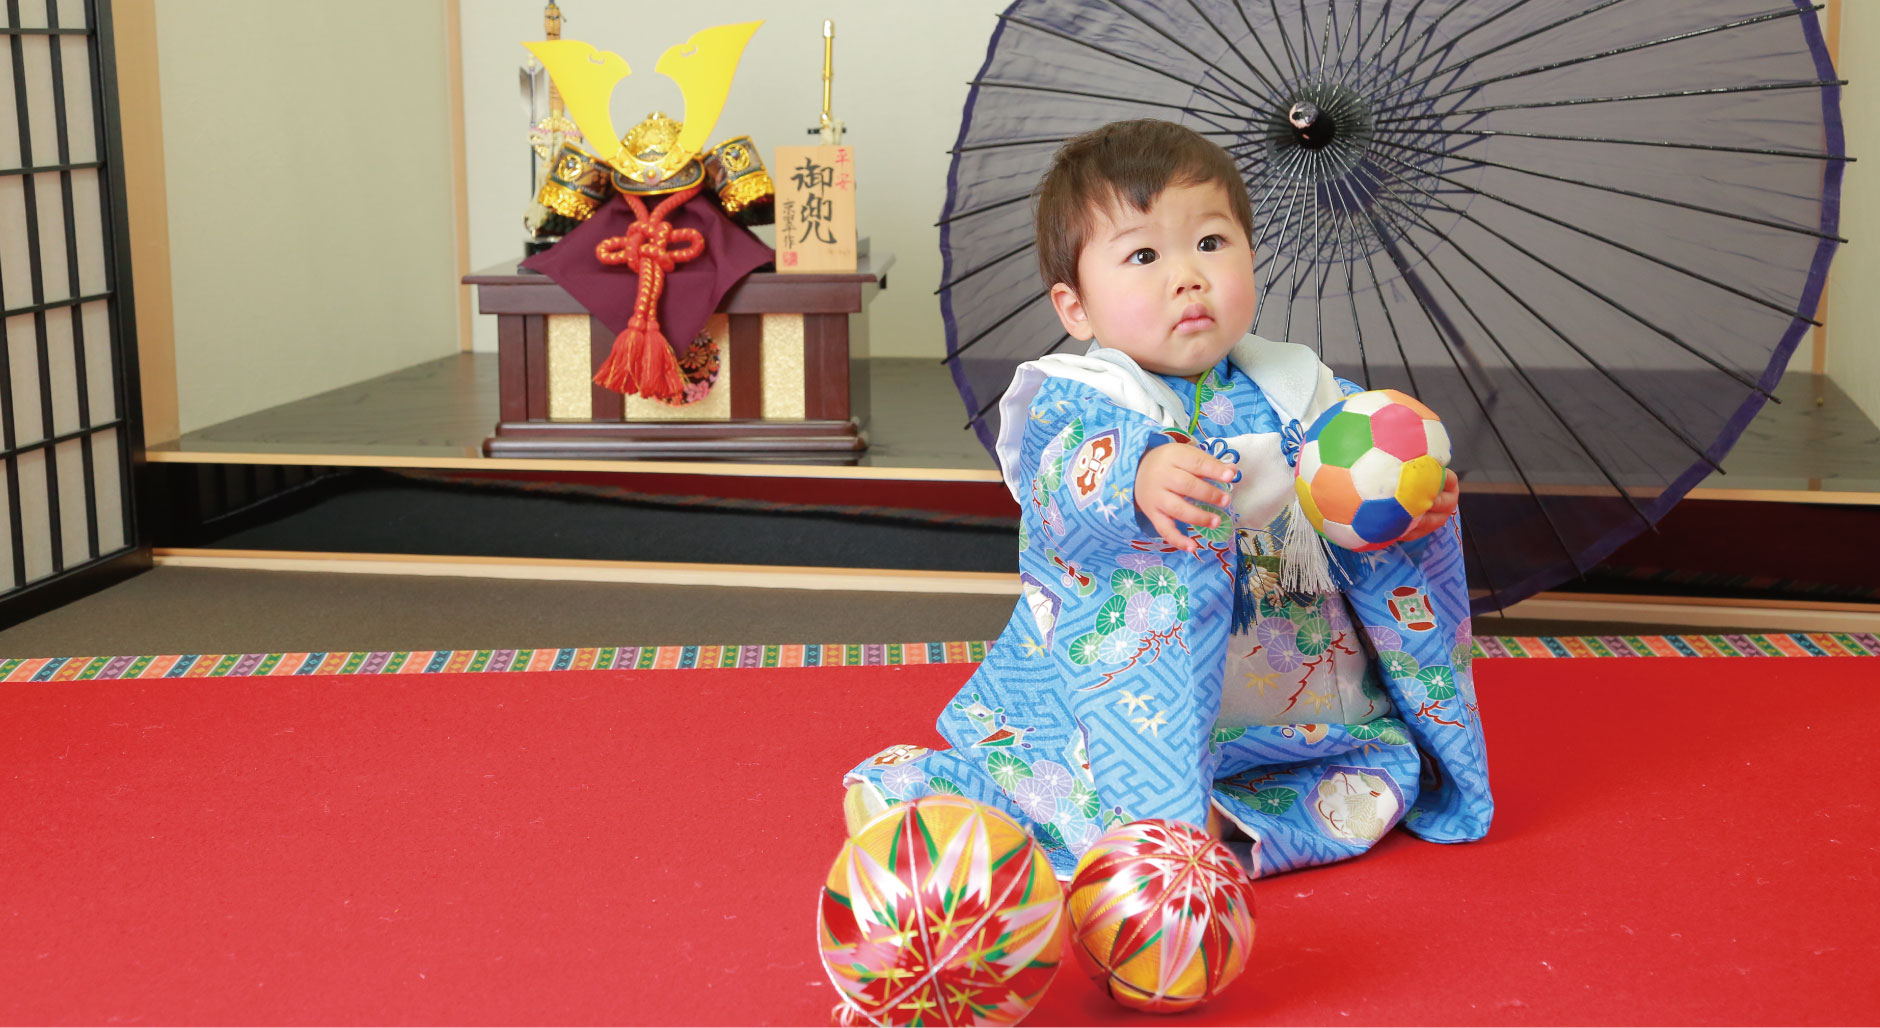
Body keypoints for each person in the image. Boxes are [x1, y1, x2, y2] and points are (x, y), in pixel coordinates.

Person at [844, 120, 1491, 878]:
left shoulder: (1304, 388)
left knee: (1373, 776)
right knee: (1062, 772)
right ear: (1076, 307)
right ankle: (939, 799)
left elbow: (1370, 489)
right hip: (1124, 704)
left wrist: (1410, 505)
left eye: (1212, 244)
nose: (1188, 276)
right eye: (1144, 255)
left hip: (1290, 692)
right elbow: (1060, 480)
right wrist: (1131, 478)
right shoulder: (1084, 398)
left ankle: (1212, 816)